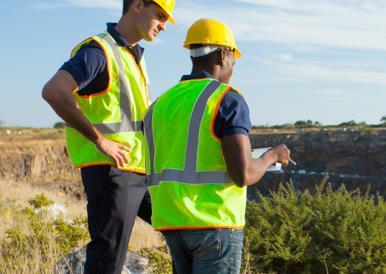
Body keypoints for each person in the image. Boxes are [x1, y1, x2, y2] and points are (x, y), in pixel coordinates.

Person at [143, 18, 291, 274]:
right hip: (215, 225)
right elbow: (243, 174)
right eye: (233, 59)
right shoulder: (227, 99)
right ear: (223, 55)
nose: (233, 67)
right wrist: (271, 155)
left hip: (172, 224)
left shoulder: (160, 104)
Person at [41, 0, 175, 273]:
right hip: (112, 173)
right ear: (137, 5)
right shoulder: (99, 51)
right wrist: (101, 141)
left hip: (138, 169)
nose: (163, 25)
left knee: (179, 227)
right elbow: (54, 91)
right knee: (108, 260)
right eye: (160, 15)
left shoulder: (133, 55)